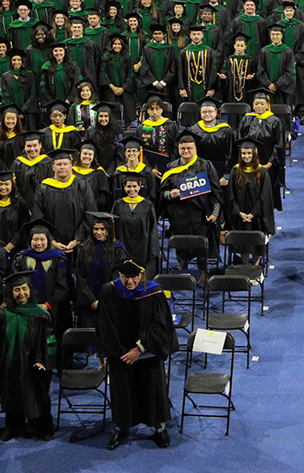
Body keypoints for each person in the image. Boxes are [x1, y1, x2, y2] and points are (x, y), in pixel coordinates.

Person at [98, 260, 178, 450]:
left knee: (152, 390)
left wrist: (139, 349)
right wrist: (120, 352)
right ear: (120, 277)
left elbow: (160, 326)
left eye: (134, 277)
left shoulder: (154, 292)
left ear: (141, 276)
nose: (130, 282)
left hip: (147, 353)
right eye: (125, 277)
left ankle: (160, 429)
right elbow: (104, 324)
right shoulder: (110, 291)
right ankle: (121, 428)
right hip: (120, 354)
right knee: (122, 393)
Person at [0, 270, 56, 441]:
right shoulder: (2, 313)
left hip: (34, 364)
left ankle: (43, 427)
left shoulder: (40, 314)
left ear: (30, 290)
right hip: (10, 364)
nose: (21, 293)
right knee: (11, 393)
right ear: (10, 292)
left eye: (24, 289)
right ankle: (12, 427)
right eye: (16, 290)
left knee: (38, 394)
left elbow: (47, 340)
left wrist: (42, 361)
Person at [160, 133, 222, 272]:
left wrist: (215, 212)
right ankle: (183, 275)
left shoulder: (205, 165)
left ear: (195, 149)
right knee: (182, 249)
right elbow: (162, 193)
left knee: (202, 249)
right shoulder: (171, 167)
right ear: (178, 149)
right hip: (179, 216)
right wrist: (171, 194)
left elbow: (216, 191)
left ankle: (203, 275)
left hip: (201, 215)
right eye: (183, 149)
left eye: (189, 148)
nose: (186, 151)